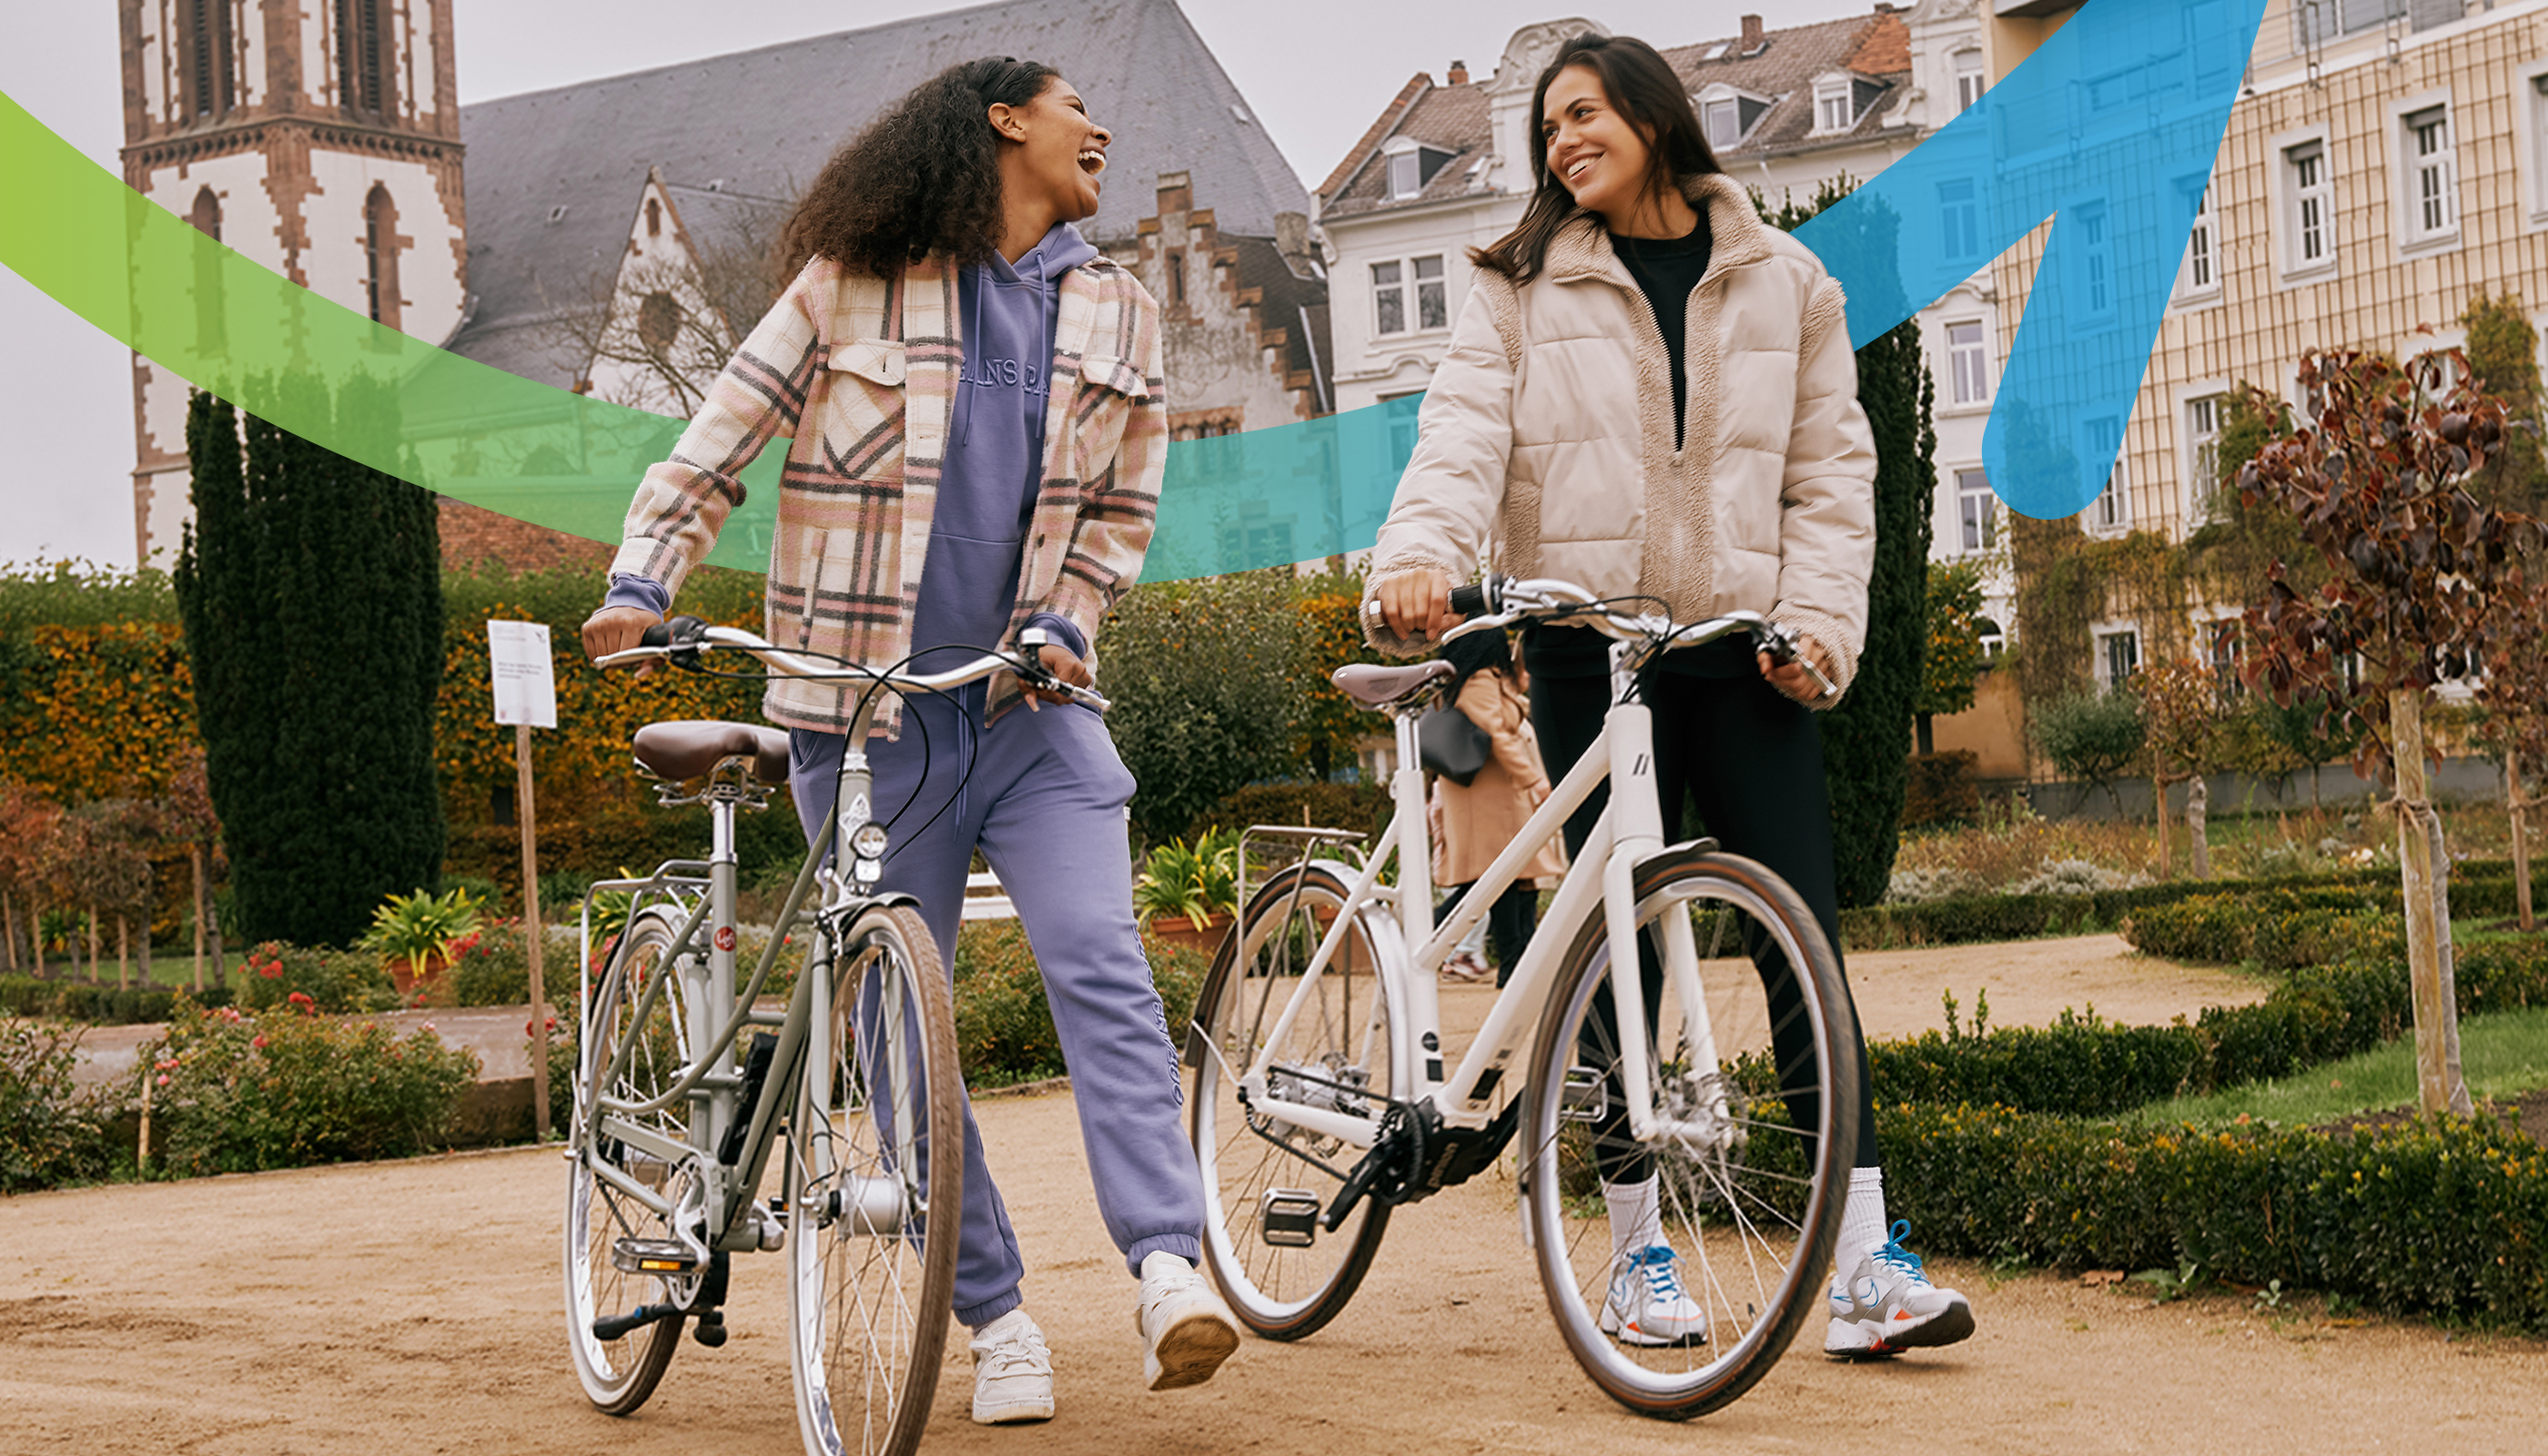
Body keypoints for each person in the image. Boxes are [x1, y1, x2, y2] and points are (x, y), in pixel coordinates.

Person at [580, 56, 1239, 1424]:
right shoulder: (854, 279)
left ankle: (1168, 1265)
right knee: (894, 1018)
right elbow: (717, 440)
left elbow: (1121, 511)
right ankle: (992, 1315)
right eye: (1073, 106)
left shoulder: (1117, 307)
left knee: (1104, 965)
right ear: (1005, 120)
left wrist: (1068, 618)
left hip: (1028, 708)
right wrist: (644, 579)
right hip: (864, 719)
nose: (1098, 127)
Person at [1365, 33, 1975, 1360]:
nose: (1564, 141)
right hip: (1587, 647)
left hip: (1741, 651)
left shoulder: (1787, 282)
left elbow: (1831, 477)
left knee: (1801, 943)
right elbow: (1461, 432)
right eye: (1549, 127)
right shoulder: (1517, 283)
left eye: (1585, 114)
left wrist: (1819, 629)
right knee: (1617, 950)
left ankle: (1865, 1267)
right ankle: (1636, 1253)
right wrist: (1418, 554)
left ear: (1653, 117)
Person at [1426, 629, 1563, 986]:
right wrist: (1535, 779)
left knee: (1517, 880)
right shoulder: (1479, 679)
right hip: (1488, 797)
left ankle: (1519, 964)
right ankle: (1510, 965)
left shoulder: (1470, 678)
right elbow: (1497, 732)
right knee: (1500, 881)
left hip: (1496, 795)